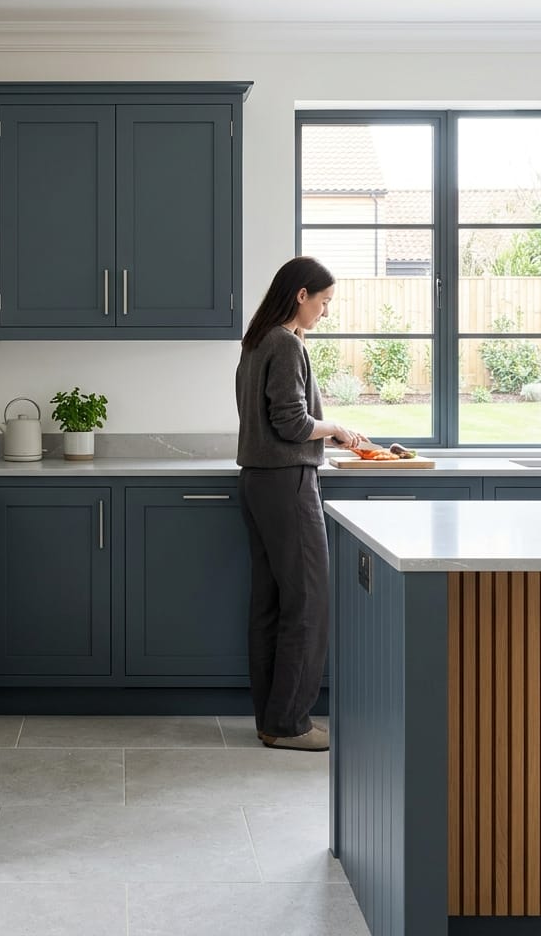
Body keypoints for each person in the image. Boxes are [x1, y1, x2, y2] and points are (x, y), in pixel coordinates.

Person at [235, 256, 368, 751]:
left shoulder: (256, 341)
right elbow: (291, 423)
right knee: (308, 603)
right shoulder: (286, 343)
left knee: (270, 604)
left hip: (257, 482)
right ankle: (291, 724)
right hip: (288, 487)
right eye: (324, 302)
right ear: (301, 295)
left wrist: (325, 438)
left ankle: (271, 719)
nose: (326, 313)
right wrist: (329, 427)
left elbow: (278, 423)